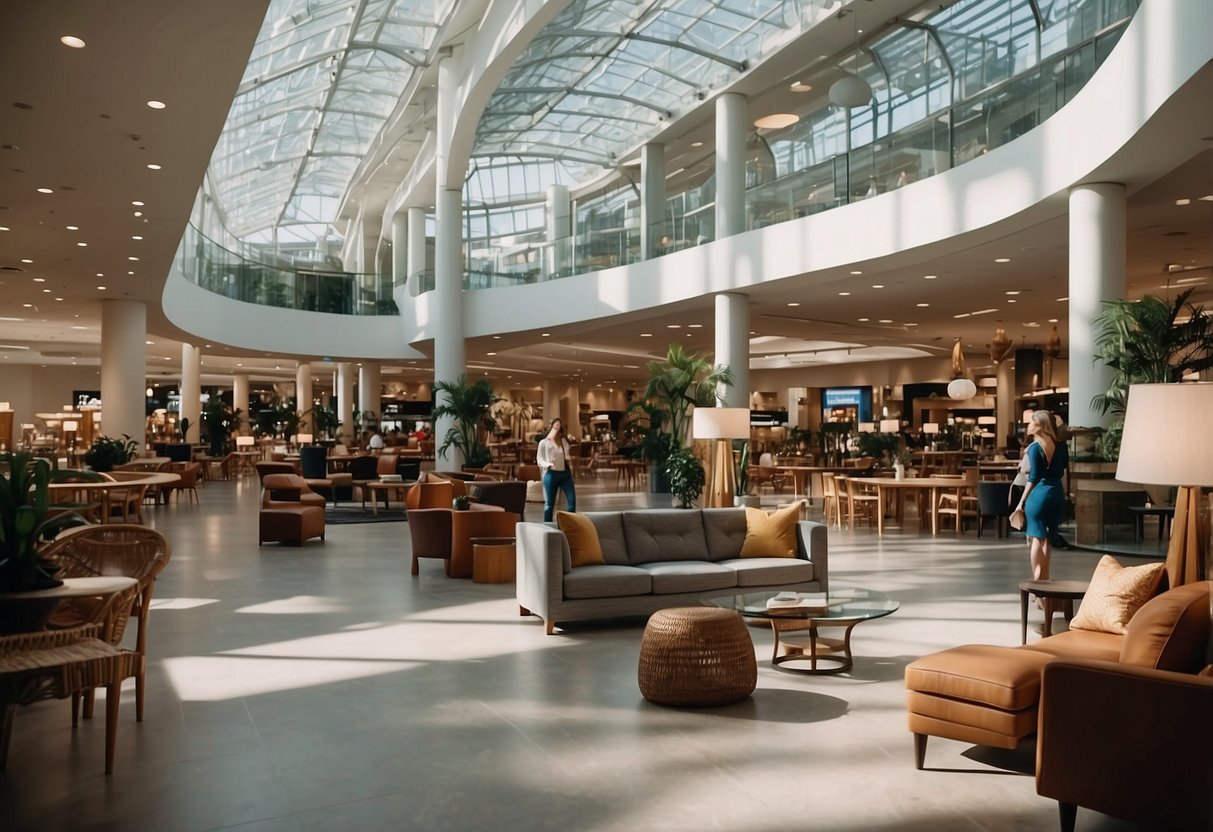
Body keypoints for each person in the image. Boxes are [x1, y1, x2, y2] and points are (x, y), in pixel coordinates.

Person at [1015, 410, 1068, 581]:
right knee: (1048, 539)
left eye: (1032, 422)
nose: (1028, 425)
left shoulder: (1034, 448)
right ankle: (1045, 580)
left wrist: (1021, 502)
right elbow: (1062, 469)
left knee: (1036, 538)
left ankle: (1038, 584)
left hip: (1038, 496)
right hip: (1056, 494)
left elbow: (1033, 478)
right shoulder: (1062, 446)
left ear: (1041, 426)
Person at [537, 417, 575, 522]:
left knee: (571, 502)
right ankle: (548, 526)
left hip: (565, 474)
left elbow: (567, 456)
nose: (557, 429)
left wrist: (570, 462)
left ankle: (571, 524)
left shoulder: (563, 442)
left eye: (559, 427)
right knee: (550, 504)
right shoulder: (543, 443)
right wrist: (547, 464)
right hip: (551, 474)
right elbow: (539, 459)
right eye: (556, 426)